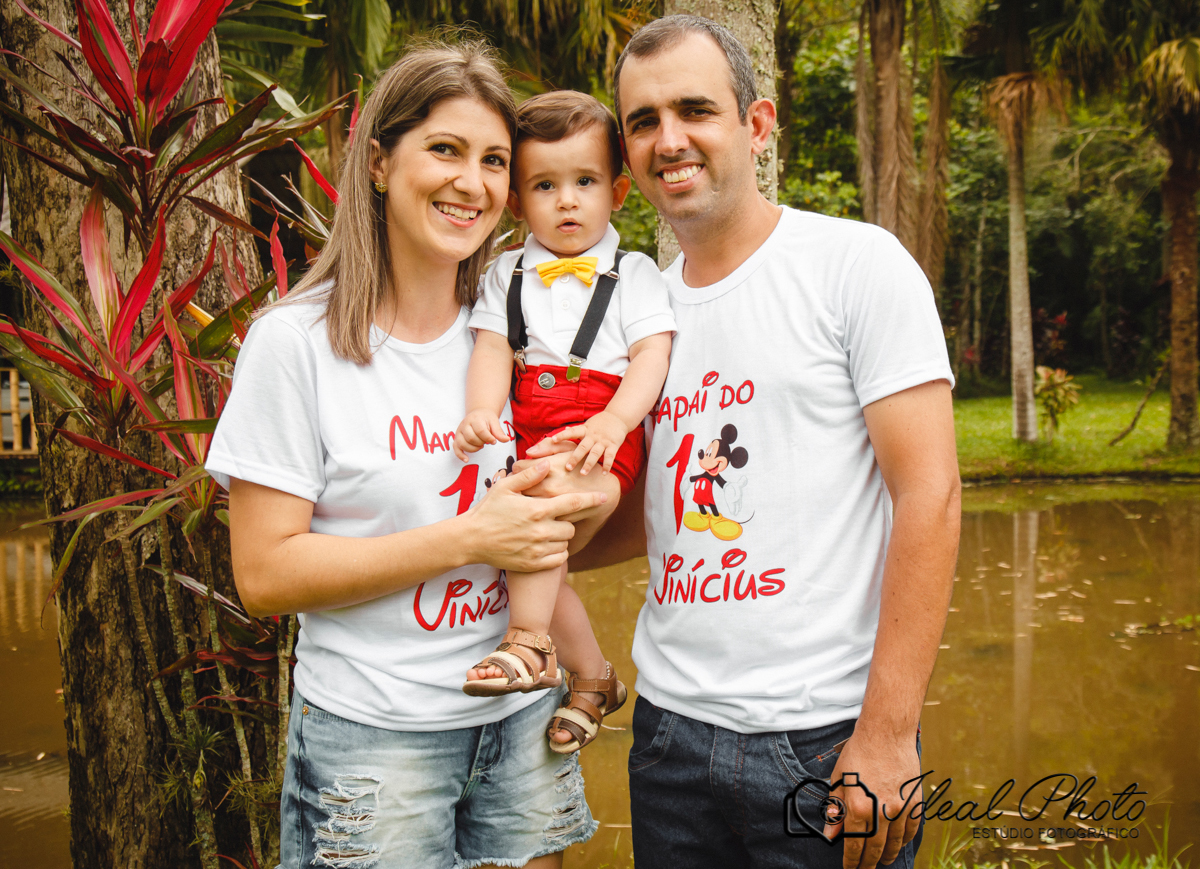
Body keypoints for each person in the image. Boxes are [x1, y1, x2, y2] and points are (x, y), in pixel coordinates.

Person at [532, 13, 960, 869]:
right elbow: (660, 509)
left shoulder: (853, 265)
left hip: (820, 738)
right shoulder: (632, 309)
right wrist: (506, 553)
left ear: (756, 126)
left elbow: (931, 493)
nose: (670, 139)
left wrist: (887, 732)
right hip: (668, 740)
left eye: (696, 109)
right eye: (644, 121)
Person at [205, 41, 609, 869]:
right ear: (381, 163)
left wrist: (583, 503)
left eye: (495, 160)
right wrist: (470, 537)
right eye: (446, 150)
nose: (474, 183)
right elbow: (265, 574)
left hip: (521, 722)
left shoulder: (521, 335)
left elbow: (554, 539)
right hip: (375, 741)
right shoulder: (296, 344)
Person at [454, 91, 675, 754]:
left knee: (538, 524)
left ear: (618, 192)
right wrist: (479, 412)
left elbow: (651, 355)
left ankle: (527, 643)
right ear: (517, 201)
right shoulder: (505, 272)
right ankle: (595, 680)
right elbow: (495, 350)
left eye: (584, 183)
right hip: (533, 438)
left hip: (604, 438)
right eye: (546, 186)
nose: (567, 201)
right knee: (533, 555)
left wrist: (614, 420)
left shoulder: (633, 272)